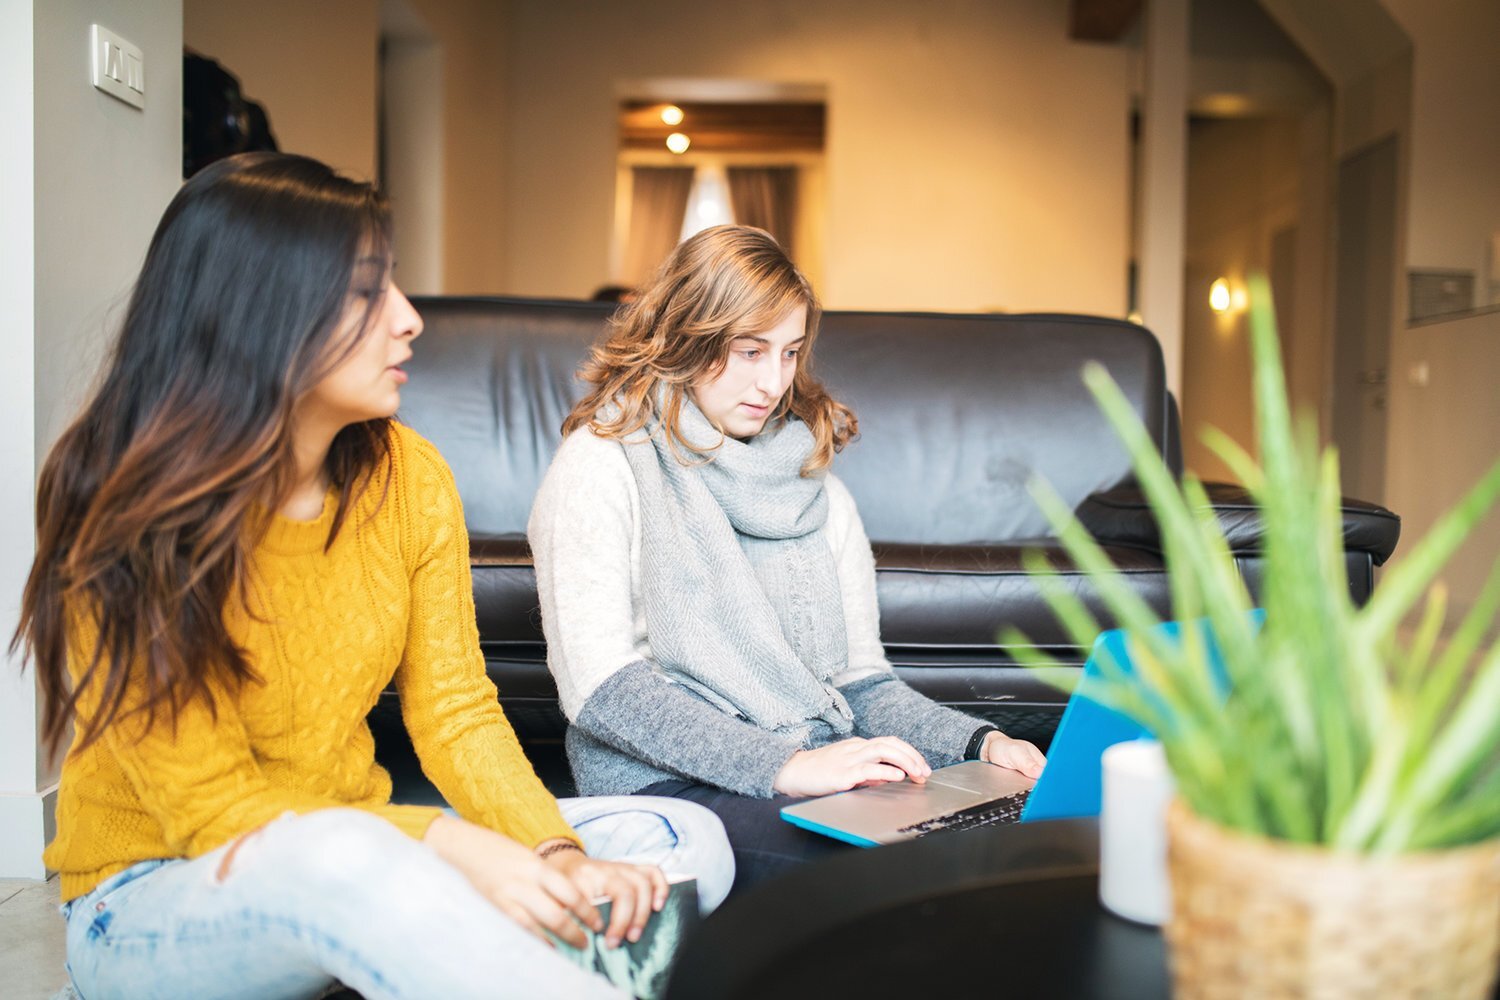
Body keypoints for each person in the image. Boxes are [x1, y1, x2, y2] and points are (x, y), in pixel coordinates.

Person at [13, 152, 732, 1000]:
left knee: (678, 840)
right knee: (353, 861)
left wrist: (554, 856)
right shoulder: (123, 505)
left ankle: (421, 954)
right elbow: (216, 818)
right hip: (156, 896)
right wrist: (452, 848)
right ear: (258, 311)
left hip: (369, 853)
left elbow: (458, 714)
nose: (408, 317)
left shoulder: (409, 476)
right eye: (365, 291)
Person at [528, 225, 1046, 893]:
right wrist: (787, 766)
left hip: (808, 766)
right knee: (886, 878)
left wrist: (981, 746)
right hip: (666, 783)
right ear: (688, 335)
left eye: (789, 353)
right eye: (749, 351)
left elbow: (861, 685)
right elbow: (601, 689)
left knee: (1011, 837)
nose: (772, 381)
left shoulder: (818, 489)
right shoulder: (599, 466)